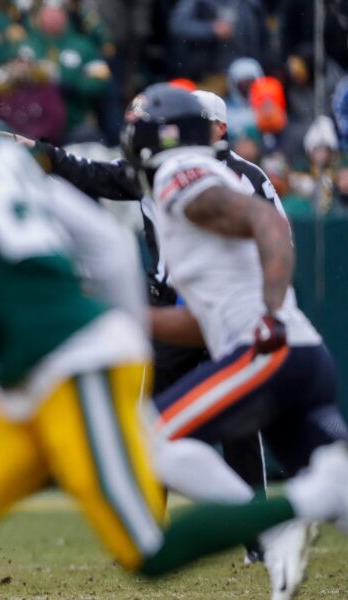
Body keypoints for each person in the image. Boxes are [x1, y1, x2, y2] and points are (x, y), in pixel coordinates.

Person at [0, 4, 348, 599]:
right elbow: (103, 238)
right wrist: (128, 330)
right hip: (36, 371)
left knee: (146, 545)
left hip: (72, 360)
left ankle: (308, 500)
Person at [3, 88, 277, 548]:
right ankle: (153, 528)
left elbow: (274, 242)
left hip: (223, 307)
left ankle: (258, 531)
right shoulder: (159, 171)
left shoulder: (232, 178)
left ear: (216, 128)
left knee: (235, 423)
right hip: (181, 310)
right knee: (156, 421)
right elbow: (91, 175)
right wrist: (38, 153)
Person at [122, 83, 348, 600]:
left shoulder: (180, 174)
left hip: (266, 349)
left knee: (147, 441)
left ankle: (278, 523)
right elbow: (204, 321)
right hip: (299, 354)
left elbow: (264, 219)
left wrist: (268, 312)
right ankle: (288, 518)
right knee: (340, 495)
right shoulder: (205, 175)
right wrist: (131, 319)